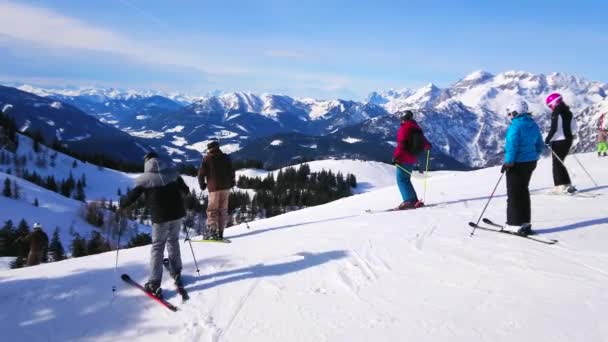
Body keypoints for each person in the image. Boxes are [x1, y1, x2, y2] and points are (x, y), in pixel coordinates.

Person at [120, 151, 190, 297]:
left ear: (146, 164)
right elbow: (186, 190)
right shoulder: (172, 173)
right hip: (177, 214)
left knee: (158, 247)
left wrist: (122, 204)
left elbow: (132, 196)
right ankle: (176, 270)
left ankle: (154, 282)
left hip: (160, 218)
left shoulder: (145, 179)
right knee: (173, 241)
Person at [502, 100, 544, 236]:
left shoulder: (515, 127)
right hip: (530, 162)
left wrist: (508, 162)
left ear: (515, 112)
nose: (509, 116)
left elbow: (511, 146)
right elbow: (539, 144)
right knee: (523, 191)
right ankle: (525, 222)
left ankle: (514, 224)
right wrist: (534, 156)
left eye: (510, 113)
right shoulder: (533, 124)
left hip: (517, 164)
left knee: (514, 194)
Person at [391, 110, 431, 210]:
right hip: (412, 158)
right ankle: (414, 200)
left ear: (403, 119)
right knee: (406, 179)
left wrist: (396, 157)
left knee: (401, 180)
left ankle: (409, 201)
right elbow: (424, 141)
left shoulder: (404, 128)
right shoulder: (416, 128)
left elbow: (401, 145)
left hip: (403, 158)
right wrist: (428, 146)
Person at [198, 140, 235, 240]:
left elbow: (201, 174)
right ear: (218, 147)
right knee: (223, 210)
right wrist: (232, 181)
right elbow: (231, 170)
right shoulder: (226, 157)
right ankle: (221, 232)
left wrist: (202, 185)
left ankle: (212, 231)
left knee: (212, 210)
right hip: (226, 187)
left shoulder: (207, 159)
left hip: (213, 188)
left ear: (209, 149)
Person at [544, 92, 578, 193]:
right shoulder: (568, 111)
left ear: (555, 102)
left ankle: (560, 186)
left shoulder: (556, 112)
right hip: (568, 140)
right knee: (560, 162)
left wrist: (548, 139)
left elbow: (554, 128)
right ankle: (566, 184)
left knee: (556, 163)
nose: (550, 107)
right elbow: (574, 127)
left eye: (550, 105)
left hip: (559, 141)